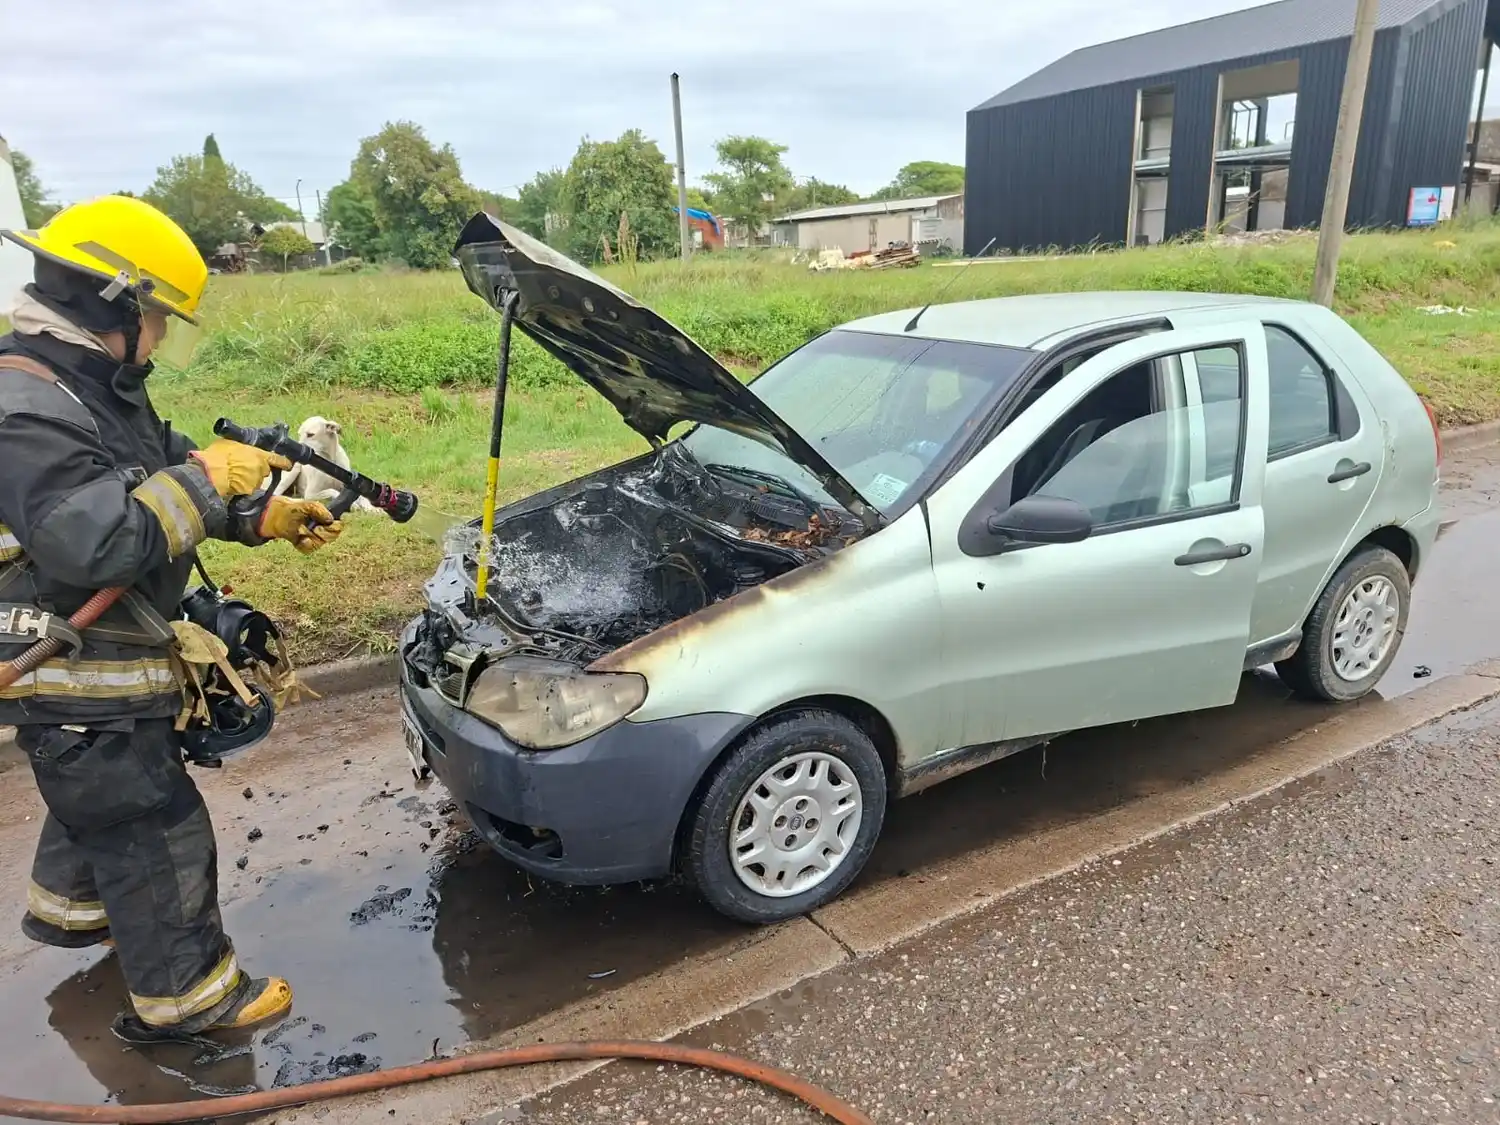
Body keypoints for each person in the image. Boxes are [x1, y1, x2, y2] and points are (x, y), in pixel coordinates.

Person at [0, 195, 341, 1036]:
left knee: (101, 800)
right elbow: (99, 541)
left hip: (93, 683)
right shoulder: (24, 411)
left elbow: (148, 477)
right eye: (156, 320)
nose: (157, 341)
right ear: (108, 301)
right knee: (152, 823)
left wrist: (255, 514)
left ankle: (80, 911)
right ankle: (191, 999)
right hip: (78, 676)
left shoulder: (84, 385)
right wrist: (204, 481)